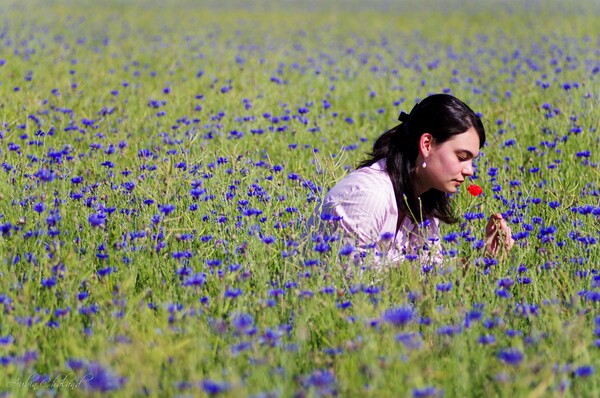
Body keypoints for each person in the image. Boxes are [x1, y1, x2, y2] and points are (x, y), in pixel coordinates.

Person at [316, 93, 514, 267]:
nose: (470, 171)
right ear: (427, 144)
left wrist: (485, 258)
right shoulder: (368, 196)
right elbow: (348, 283)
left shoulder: (424, 200)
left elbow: (431, 276)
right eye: (462, 157)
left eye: (472, 160)